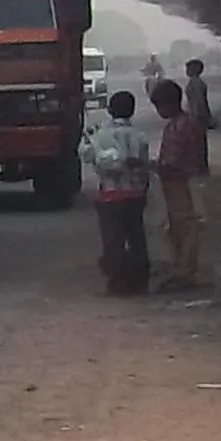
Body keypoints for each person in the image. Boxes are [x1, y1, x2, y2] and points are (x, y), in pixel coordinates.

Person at [81, 88, 153, 295]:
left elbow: (86, 155)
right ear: (132, 110)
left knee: (113, 239)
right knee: (137, 237)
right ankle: (140, 280)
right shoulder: (139, 135)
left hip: (110, 196)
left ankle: (118, 280)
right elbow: (143, 166)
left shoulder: (100, 135)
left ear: (110, 110)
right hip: (135, 194)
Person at [148, 74, 209, 291]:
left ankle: (185, 272)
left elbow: (173, 163)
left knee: (184, 227)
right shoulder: (188, 123)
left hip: (179, 182)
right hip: (183, 179)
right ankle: (183, 268)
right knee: (180, 227)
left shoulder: (177, 128)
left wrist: (148, 165)